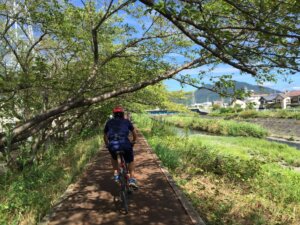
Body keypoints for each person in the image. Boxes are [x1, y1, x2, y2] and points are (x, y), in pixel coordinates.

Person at [103, 106, 138, 188]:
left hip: (113, 144)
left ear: (114, 114)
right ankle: (132, 179)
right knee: (131, 160)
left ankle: (116, 173)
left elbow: (105, 136)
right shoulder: (127, 121)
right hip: (125, 143)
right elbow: (134, 133)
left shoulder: (109, 122)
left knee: (113, 156)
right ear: (122, 114)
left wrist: (107, 144)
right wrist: (134, 141)